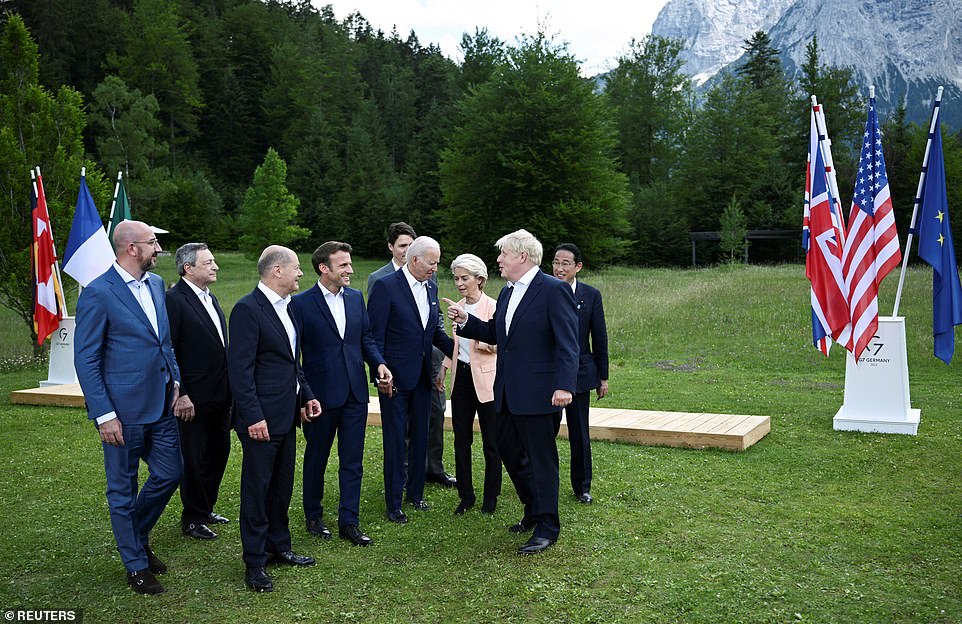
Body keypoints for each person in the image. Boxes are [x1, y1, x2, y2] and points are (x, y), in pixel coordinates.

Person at [444, 229, 578, 555]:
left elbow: (568, 343)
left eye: (503, 254)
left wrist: (564, 386)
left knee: (541, 459)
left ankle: (548, 527)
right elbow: (495, 332)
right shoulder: (507, 291)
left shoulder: (553, 290)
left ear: (522, 256)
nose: (499, 260)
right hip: (505, 392)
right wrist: (466, 320)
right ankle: (533, 508)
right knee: (508, 451)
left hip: (539, 393)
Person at [75, 220, 183, 595]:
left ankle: (134, 537)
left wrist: (177, 381)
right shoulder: (98, 292)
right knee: (123, 489)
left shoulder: (155, 284)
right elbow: (86, 359)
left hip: (163, 403)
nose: (159, 249)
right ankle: (136, 565)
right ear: (131, 249)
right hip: (121, 413)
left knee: (171, 473)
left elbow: (163, 342)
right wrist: (104, 414)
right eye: (153, 243)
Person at [228, 246, 321, 592]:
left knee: (281, 485)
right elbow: (240, 371)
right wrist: (253, 416)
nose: (301, 274)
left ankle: (279, 546)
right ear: (277, 271)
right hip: (260, 420)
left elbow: (292, 363)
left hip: (287, 414)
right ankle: (254, 561)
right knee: (257, 488)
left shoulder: (290, 308)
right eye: (296, 268)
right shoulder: (246, 310)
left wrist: (307, 395)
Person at [290, 241, 393, 547]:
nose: (351, 270)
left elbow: (365, 338)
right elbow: (293, 356)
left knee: (353, 461)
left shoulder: (355, 297)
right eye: (344, 265)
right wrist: (305, 395)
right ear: (324, 268)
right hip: (319, 397)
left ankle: (350, 521)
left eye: (350, 264)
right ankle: (314, 516)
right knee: (316, 458)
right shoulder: (301, 303)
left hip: (355, 394)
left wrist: (379, 363)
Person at [367, 236, 454, 523]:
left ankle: (415, 495)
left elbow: (433, 333)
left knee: (421, 436)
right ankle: (394, 503)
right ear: (414, 260)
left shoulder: (431, 286)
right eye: (432, 262)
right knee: (395, 440)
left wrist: (463, 353)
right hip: (393, 379)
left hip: (422, 378)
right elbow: (373, 336)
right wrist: (380, 369)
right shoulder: (385, 286)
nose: (435, 268)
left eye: (437, 262)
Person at [166, 243, 232, 541]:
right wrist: (181, 393)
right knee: (193, 459)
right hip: (191, 398)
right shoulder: (174, 300)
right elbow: (170, 350)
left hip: (220, 394)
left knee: (218, 454)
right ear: (187, 268)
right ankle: (192, 518)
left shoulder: (211, 298)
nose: (215, 266)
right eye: (208, 262)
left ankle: (205, 509)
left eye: (214, 261)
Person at [551, 243, 609, 504]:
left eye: (565, 263)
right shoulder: (544, 292)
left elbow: (599, 338)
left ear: (578, 267)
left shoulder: (591, 295)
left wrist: (602, 377)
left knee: (579, 432)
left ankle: (582, 486)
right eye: (555, 262)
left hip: (581, 375)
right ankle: (542, 481)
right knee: (545, 431)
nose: (559, 268)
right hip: (549, 376)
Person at [448, 254, 501, 516]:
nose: (459, 283)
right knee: (461, 439)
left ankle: (491, 496)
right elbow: (455, 345)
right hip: (461, 379)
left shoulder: (492, 307)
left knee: (492, 441)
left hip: (487, 380)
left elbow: (498, 344)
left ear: (479, 280)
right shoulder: (457, 306)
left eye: (464, 278)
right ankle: (465, 496)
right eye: (456, 278)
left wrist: (478, 336)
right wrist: (444, 369)